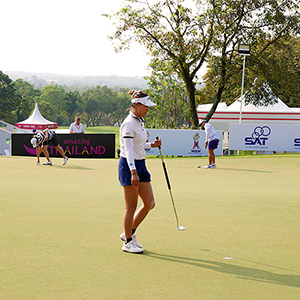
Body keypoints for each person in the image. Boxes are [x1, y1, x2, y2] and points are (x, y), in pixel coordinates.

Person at [118, 90, 161, 254]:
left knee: (150, 203)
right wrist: (133, 171)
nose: (148, 109)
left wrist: (152, 145)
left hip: (141, 164)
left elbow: (139, 145)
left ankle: (129, 232)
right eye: (146, 106)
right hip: (130, 166)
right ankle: (128, 242)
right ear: (136, 105)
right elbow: (128, 150)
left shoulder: (139, 121)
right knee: (131, 206)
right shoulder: (129, 123)